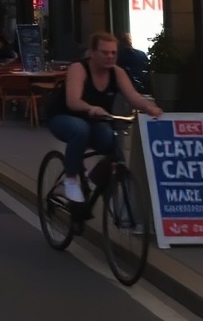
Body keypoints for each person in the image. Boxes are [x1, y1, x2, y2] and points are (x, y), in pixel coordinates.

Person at [47, 31, 163, 203]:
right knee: (80, 130)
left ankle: (91, 183)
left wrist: (150, 108)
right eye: (105, 52)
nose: (110, 57)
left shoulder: (117, 73)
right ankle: (70, 180)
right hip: (63, 117)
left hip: (95, 120)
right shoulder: (79, 69)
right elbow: (73, 101)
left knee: (111, 141)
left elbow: (133, 96)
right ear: (92, 53)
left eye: (113, 53)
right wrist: (90, 108)